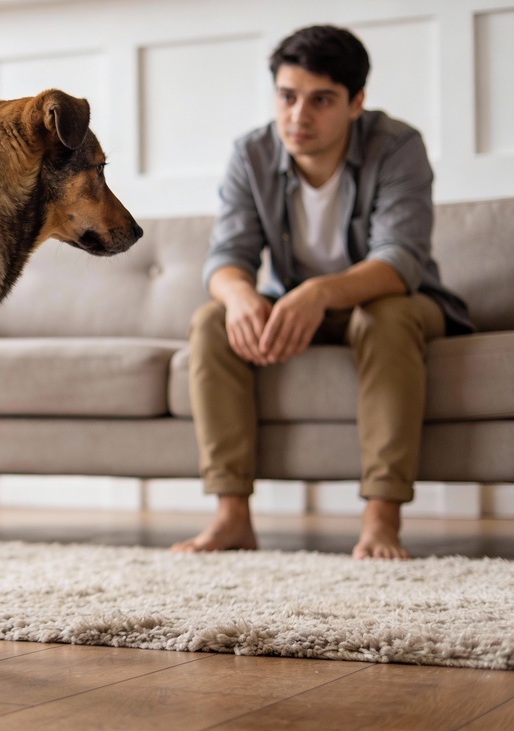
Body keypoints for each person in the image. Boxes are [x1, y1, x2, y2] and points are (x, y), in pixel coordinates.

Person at [171, 25, 473, 560]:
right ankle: (232, 517)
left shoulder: (398, 146)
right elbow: (225, 259)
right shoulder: (253, 153)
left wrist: (319, 292)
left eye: (321, 100)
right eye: (287, 97)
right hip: (296, 304)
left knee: (385, 316)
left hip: (395, 302)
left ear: (357, 102)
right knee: (211, 322)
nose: (298, 116)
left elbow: (400, 260)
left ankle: (382, 519)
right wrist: (240, 297)